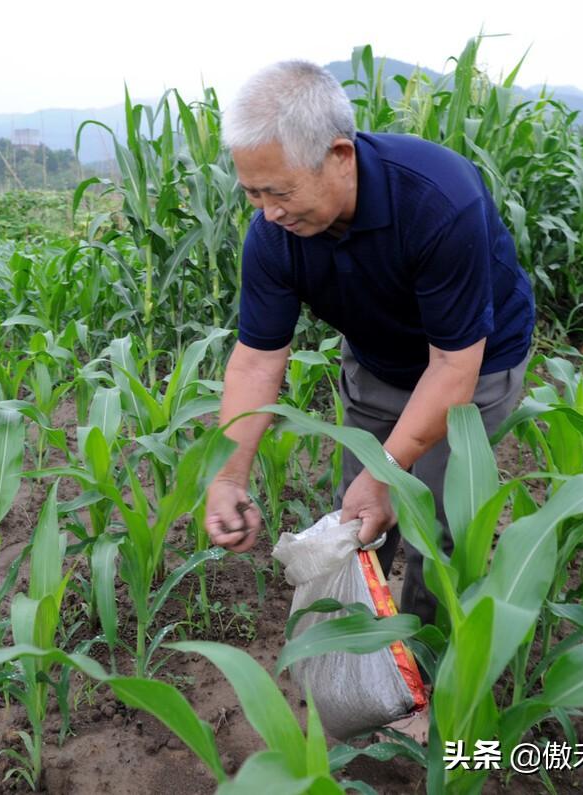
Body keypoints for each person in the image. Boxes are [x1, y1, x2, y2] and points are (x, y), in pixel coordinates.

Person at [203, 60, 535, 632]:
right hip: (379, 361)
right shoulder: (274, 235)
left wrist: (388, 470)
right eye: (253, 193)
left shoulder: (436, 200)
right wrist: (229, 475)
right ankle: (360, 659)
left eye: (280, 191)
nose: (269, 211)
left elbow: (454, 366)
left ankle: (428, 675)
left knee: (441, 523)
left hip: (472, 366)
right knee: (359, 515)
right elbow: (258, 360)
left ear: (340, 155)